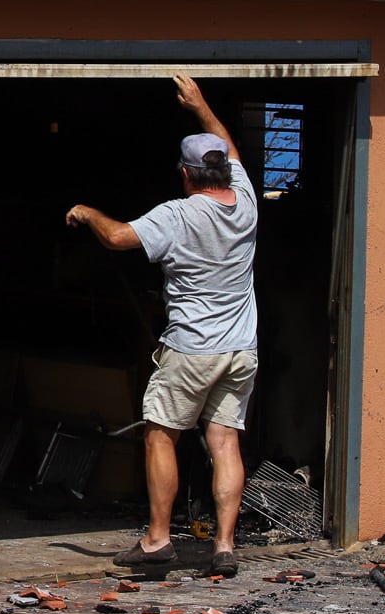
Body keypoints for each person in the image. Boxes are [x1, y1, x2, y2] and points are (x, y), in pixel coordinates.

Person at [64, 75, 258, 579]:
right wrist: (201, 106)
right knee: (225, 442)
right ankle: (226, 546)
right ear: (221, 169)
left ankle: (157, 541)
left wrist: (88, 212)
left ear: (186, 174)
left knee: (161, 434)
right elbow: (230, 148)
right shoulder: (247, 201)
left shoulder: (179, 215)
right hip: (241, 348)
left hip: (192, 350)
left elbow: (120, 238)